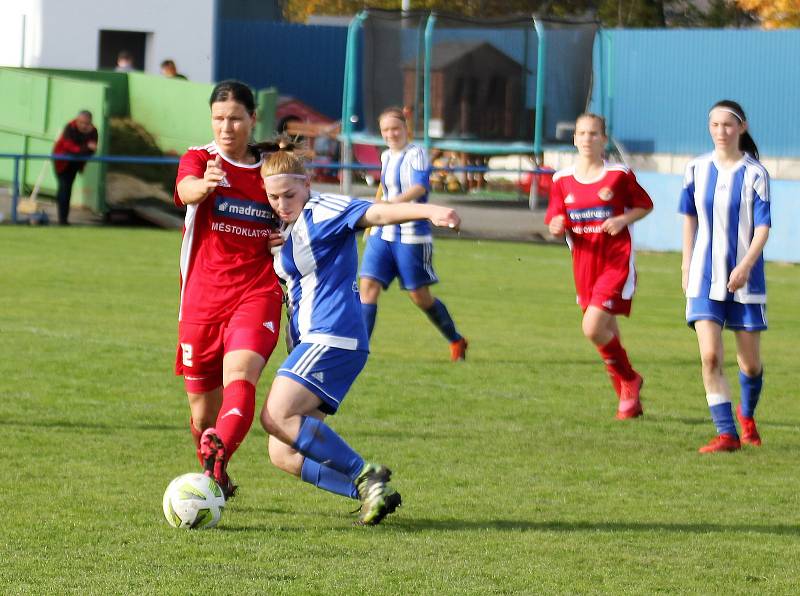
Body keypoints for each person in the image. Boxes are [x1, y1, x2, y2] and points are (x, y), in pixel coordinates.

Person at [258, 145, 460, 525]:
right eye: (274, 196)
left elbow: (376, 212)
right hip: (314, 341)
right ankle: (371, 493)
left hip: (331, 335)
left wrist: (429, 210)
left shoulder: (324, 210)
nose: (282, 203)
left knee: (275, 415)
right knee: (282, 452)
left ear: (307, 184)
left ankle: (363, 474)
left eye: (290, 194)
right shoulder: (291, 228)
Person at [173, 80, 284, 497]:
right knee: (203, 414)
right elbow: (186, 190)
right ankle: (215, 471)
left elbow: (298, 202)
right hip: (202, 301)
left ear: (253, 119)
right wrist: (206, 185)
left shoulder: (273, 165)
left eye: (236, 118)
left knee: (241, 374)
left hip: (257, 291)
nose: (227, 127)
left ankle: (217, 462)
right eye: (219, 119)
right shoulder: (199, 159)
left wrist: (287, 234)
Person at [545, 113, 653, 420]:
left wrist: (621, 219)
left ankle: (630, 380)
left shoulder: (618, 175)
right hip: (583, 263)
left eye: (594, 133)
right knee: (606, 330)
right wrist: (555, 225)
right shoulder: (561, 180)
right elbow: (556, 219)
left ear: (603, 139)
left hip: (615, 261)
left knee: (592, 328)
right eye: (582, 133)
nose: (587, 139)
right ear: (574, 139)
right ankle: (627, 399)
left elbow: (645, 205)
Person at [679, 100, 770, 453]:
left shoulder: (755, 173)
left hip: (745, 279)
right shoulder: (696, 168)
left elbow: (763, 227)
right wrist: (687, 263)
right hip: (704, 277)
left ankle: (746, 415)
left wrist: (745, 265)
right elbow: (688, 216)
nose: (721, 131)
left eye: (728, 125)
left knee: (749, 363)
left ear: (742, 128)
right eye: (714, 125)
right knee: (710, 357)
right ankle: (726, 434)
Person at [359, 107, 468, 361]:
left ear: (406, 128)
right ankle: (360, 350)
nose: (390, 134)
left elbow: (420, 187)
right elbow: (383, 193)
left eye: (395, 128)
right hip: (383, 233)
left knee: (419, 296)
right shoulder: (386, 156)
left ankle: (456, 339)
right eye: (385, 130)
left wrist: (394, 203)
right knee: (368, 286)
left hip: (412, 236)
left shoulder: (416, 153)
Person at [52, 110, 98, 225]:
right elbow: (69, 147)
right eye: (81, 122)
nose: (83, 126)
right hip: (62, 162)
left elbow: (92, 150)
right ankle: (62, 220)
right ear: (77, 121)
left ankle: (63, 219)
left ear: (90, 123)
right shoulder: (70, 127)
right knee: (64, 189)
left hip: (75, 164)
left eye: (86, 123)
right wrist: (85, 148)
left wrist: (82, 150)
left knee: (67, 189)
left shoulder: (93, 131)